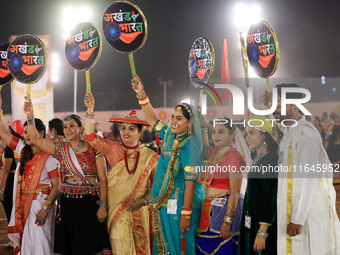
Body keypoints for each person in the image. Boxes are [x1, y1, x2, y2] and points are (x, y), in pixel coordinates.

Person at [23, 101, 112, 255]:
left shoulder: (94, 149)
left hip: (89, 203)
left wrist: (103, 206)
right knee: (69, 246)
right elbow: (35, 139)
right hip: (66, 203)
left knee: (90, 244)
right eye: (65, 126)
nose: (68, 129)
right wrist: (30, 117)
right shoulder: (60, 149)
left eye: (72, 125)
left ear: (81, 128)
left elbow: (103, 180)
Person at [132, 75, 204, 255]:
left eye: (179, 118)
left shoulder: (190, 145)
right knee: (163, 244)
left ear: (190, 122)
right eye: (173, 116)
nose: (173, 121)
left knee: (178, 246)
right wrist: (142, 94)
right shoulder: (170, 136)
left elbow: (190, 184)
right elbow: (152, 120)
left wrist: (185, 215)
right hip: (163, 203)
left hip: (180, 205)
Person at [264, 83, 340, 255]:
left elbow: (308, 179)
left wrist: (297, 218)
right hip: (294, 212)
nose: (277, 109)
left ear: (294, 105)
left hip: (305, 217)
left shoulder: (306, 135)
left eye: (280, 104)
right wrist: (269, 108)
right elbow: (283, 125)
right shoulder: (292, 131)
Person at [84, 93, 158, 254]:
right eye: (123, 128)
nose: (126, 132)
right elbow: (89, 136)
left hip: (141, 211)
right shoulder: (114, 149)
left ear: (139, 132)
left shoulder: (150, 156)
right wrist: (90, 110)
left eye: (131, 129)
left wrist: (144, 201)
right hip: (117, 210)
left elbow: (156, 186)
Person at [0, 97, 61, 255]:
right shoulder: (22, 149)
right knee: (27, 246)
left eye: (31, 131)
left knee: (41, 244)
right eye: (25, 132)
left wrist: (46, 209)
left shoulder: (48, 154)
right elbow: (3, 133)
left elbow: (57, 185)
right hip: (23, 205)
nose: (27, 135)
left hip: (41, 206)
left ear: (41, 132)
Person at [196, 117, 245, 254]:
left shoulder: (233, 156)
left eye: (221, 132)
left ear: (232, 134)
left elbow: (235, 192)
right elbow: (204, 148)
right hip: (208, 209)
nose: (216, 136)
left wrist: (227, 222)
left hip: (224, 210)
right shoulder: (215, 152)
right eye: (214, 132)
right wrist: (204, 126)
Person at [238, 116, 278, 255]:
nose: (247, 137)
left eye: (252, 133)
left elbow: (270, 198)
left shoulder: (271, 160)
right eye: (247, 133)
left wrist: (262, 232)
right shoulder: (258, 158)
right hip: (252, 220)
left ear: (264, 135)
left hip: (262, 226)